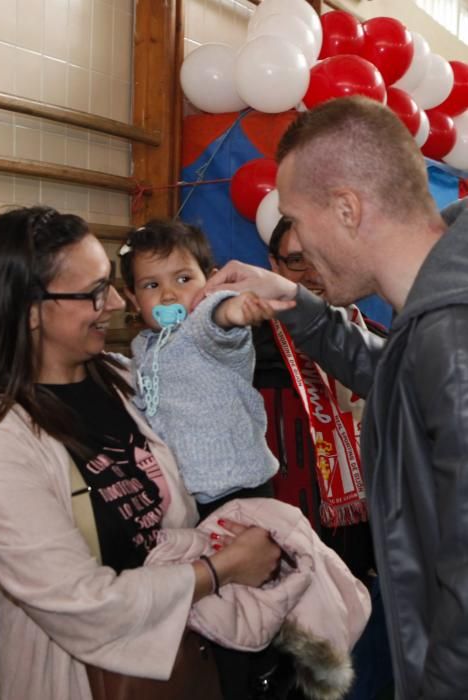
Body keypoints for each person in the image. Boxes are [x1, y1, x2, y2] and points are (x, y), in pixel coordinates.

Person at [0, 206, 282, 700]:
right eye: (94, 292)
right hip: (88, 681)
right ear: (31, 309)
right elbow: (79, 603)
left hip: (190, 662)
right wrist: (220, 571)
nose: (117, 304)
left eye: (111, 285)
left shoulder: (128, 380)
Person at [197, 95, 468, 699]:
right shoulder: (434, 313)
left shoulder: (452, 331)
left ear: (346, 208)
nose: (295, 241)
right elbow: (392, 376)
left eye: (295, 217)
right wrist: (291, 300)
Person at [253, 216, 392, 699]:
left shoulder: (379, 342)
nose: (311, 271)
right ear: (274, 266)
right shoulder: (249, 345)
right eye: (296, 259)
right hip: (285, 561)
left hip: (372, 555)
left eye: (322, 257)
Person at [118, 220, 293, 519]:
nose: (169, 295)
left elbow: (215, 323)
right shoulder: (143, 344)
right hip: (183, 493)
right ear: (133, 298)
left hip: (237, 486)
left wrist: (230, 310)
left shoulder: (202, 330)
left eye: (183, 279)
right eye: (151, 285)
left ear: (212, 281)